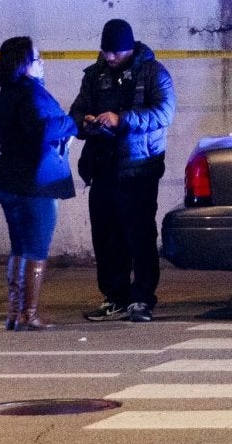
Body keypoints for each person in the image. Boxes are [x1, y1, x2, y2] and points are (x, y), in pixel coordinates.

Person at [70, 17, 175, 324]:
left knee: (139, 235)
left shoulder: (153, 71)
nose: (109, 57)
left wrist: (121, 119)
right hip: (102, 167)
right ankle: (114, 296)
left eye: (115, 52)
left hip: (138, 169)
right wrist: (85, 123)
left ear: (128, 48)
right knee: (105, 236)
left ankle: (142, 298)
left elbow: (164, 111)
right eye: (105, 51)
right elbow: (75, 111)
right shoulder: (95, 75)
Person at [0, 35, 76, 332]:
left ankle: (15, 313)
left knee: (20, 247)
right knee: (36, 248)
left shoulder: (7, 94)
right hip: (34, 182)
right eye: (37, 59)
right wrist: (73, 122)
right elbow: (44, 129)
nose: (42, 63)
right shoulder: (30, 94)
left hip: (9, 179)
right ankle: (29, 314)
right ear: (24, 64)